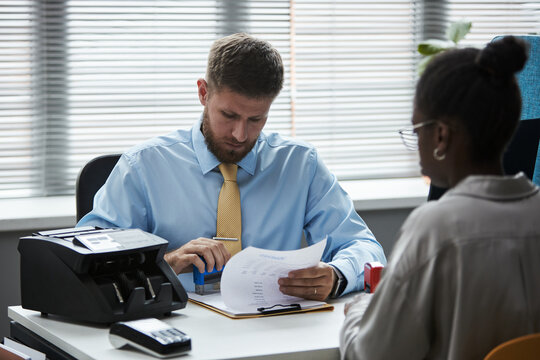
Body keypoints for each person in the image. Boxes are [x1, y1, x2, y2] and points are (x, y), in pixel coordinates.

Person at [77, 33, 386, 299]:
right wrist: (166, 262)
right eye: (229, 115)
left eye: (256, 119)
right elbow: (87, 255)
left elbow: (363, 246)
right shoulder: (143, 166)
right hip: (177, 323)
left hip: (275, 325)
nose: (240, 135)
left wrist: (337, 274)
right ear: (203, 92)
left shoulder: (300, 164)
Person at [340, 36, 540, 359]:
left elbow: (372, 355)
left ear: (441, 135)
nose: (415, 142)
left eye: (416, 129)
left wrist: (359, 311)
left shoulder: (436, 229)